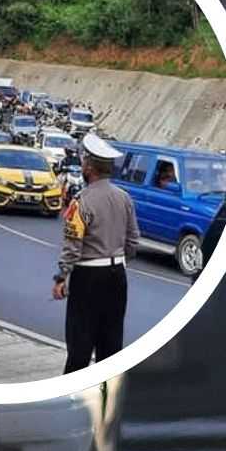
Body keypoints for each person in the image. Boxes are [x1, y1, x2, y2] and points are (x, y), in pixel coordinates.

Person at [53, 134, 140, 373]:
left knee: (80, 345)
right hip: (117, 275)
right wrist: (119, 260)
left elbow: (73, 244)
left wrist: (61, 276)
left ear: (89, 168)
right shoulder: (124, 197)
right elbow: (133, 239)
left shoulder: (82, 201)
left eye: (84, 162)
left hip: (88, 277)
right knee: (111, 344)